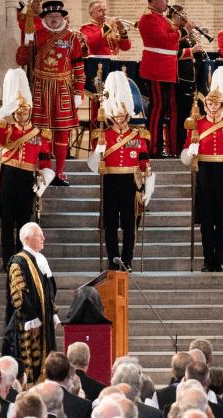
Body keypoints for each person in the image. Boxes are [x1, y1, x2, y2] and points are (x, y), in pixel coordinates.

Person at [0, 68, 54, 266]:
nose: (21, 116)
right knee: (7, 221)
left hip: (27, 177)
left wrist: (42, 184)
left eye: (24, 111)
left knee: (24, 222)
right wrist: (4, 109)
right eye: (17, 112)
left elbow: (45, 163)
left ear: (30, 111)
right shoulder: (5, 128)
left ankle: (23, 259)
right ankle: (7, 260)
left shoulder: (40, 134)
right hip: (9, 175)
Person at [180, 66, 223, 273]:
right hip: (204, 171)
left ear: (222, 104)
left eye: (216, 103)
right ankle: (206, 260)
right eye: (209, 103)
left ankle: (219, 259)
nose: (212, 107)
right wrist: (190, 151)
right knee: (206, 220)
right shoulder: (196, 124)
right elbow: (185, 157)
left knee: (222, 220)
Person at [88, 71, 153, 271]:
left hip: (131, 183)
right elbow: (92, 166)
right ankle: (112, 259)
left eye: (122, 115)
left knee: (129, 225)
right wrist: (98, 150)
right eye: (116, 115)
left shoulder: (139, 135)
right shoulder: (102, 134)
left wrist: (147, 189)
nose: (119, 119)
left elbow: (145, 166)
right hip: (110, 182)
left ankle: (128, 260)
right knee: (110, 225)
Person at [18, 0, 88, 186]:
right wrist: (26, 43)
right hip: (40, 87)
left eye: (57, 16)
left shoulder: (72, 38)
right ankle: (44, 170)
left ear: (63, 17)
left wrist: (78, 92)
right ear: (45, 18)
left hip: (63, 88)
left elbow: (79, 67)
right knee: (39, 132)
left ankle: (60, 172)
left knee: (62, 133)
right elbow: (21, 59)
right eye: (50, 16)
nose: (54, 19)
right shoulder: (37, 34)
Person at [3, 223, 60, 386]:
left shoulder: (40, 260)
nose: (43, 238)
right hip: (26, 324)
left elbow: (49, 290)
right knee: (29, 363)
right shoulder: (19, 261)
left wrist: (53, 312)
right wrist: (31, 317)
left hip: (44, 321)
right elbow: (18, 293)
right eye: (39, 235)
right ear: (27, 239)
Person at [138, 0, 181, 157]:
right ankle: (152, 148)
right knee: (157, 108)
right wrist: (179, 32)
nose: (167, 2)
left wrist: (176, 28)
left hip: (166, 69)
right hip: (156, 68)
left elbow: (172, 45)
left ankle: (158, 146)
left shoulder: (161, 17)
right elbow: (163, 39)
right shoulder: (148, 18)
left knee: (163, 109)